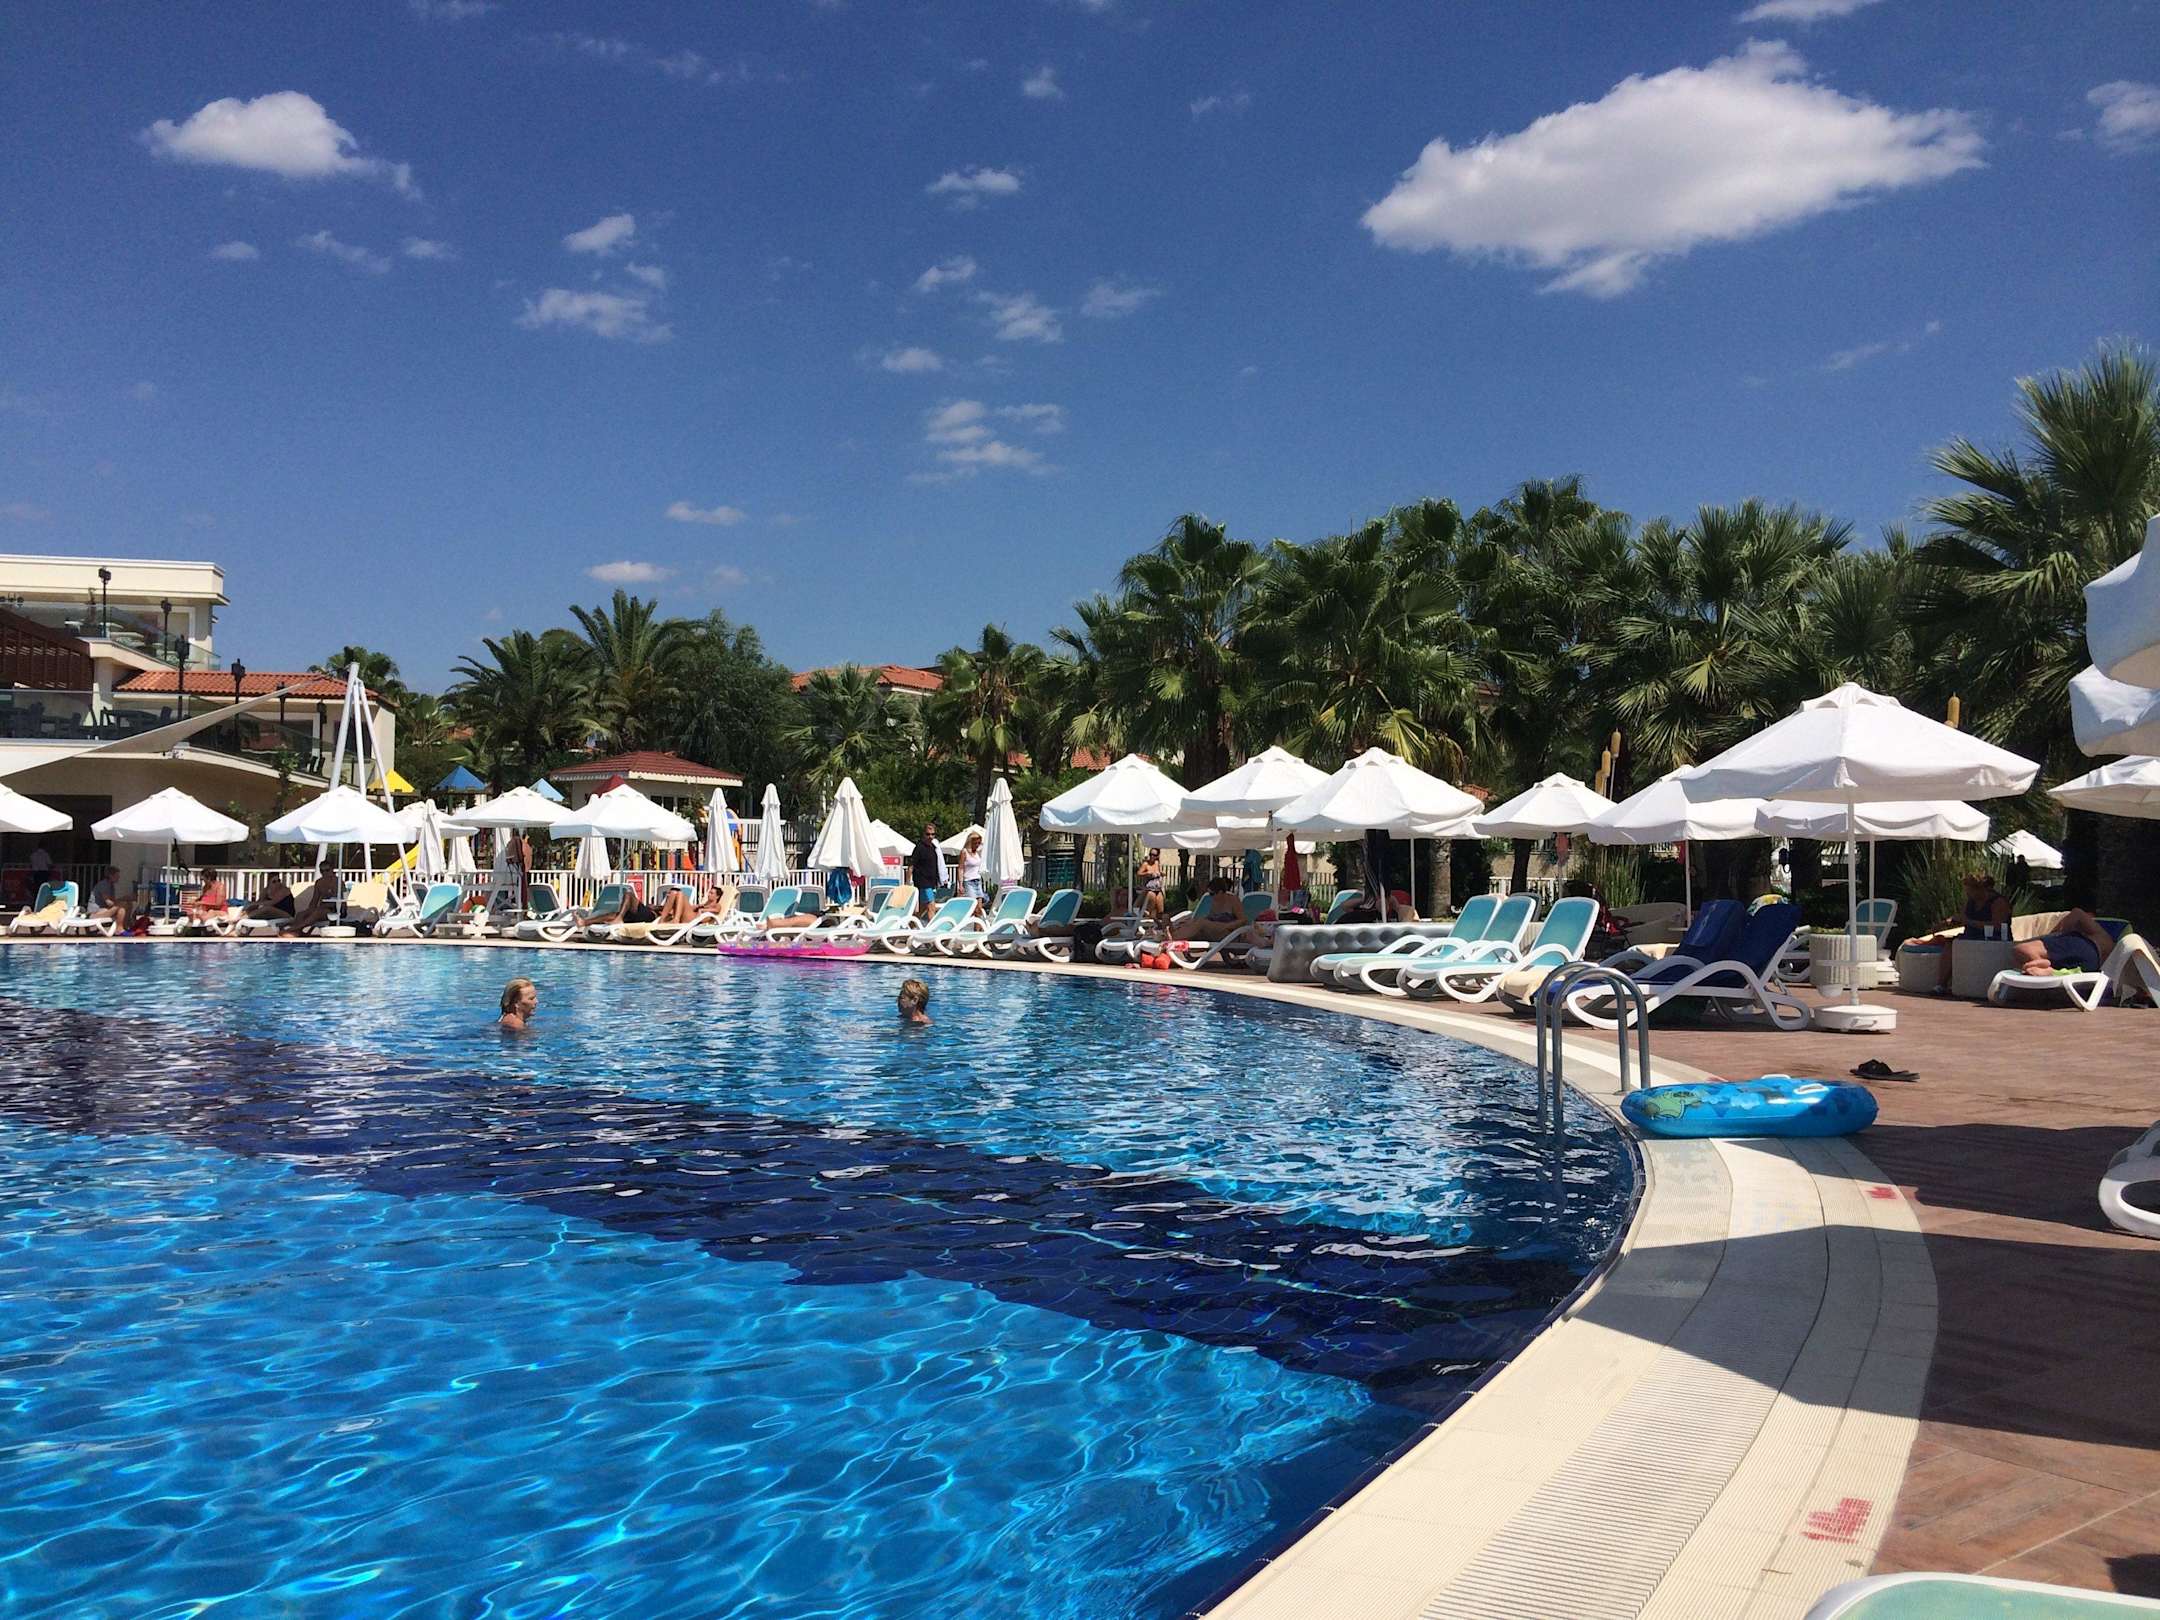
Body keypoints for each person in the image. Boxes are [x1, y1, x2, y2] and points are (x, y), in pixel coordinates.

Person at [1927, 871, 2013, 992]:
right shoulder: (1971, 901)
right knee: (1949, 943)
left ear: (1980, 889)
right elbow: (1962, 917)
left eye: (1970, 890)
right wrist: (1945, 923)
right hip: (1971, 936)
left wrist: (1970, 922)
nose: (1967, 893)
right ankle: (1941, 984)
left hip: (1994, 938)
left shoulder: (1998, 902)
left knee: (1959, 944)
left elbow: (1998, 925)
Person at [2008, 908, 2116, 978]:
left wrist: (2057, 934)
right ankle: (2049, 971)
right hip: (2088, 967)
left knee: (2021, 949)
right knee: (2027, 966)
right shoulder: (2107, 944)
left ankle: (2045, 966)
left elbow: (2077, 913)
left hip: (2086, 947)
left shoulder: (2099, 935)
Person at [279, 856, 343, 935]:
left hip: (335, 910)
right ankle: (297, 932)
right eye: (322, 871)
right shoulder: (319, 883)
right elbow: (314, 900)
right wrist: (309, 910)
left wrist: (318, 909)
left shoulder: (338, 882)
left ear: (332, 870)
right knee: (301, 914)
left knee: (317, 913)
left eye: (327, 870)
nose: (325, 873)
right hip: (322, 908)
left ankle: (293, 929)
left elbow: (338, 901)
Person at [1170, 877, 1245, 943]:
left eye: (1212, 894)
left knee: (1201, 922)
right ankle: (1173, 934)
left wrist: (1227, 926)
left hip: (1227, 932)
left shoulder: (1232, 900)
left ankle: (1173, 938)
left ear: (1220, 892)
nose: (1210, 896)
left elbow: (1243, 920)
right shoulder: (1214, 901)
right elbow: (1211, 918)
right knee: (1193, 923)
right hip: (1215, 930)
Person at [84, 866, 133, 932]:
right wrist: (122, 900)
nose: (119, 877)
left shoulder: (111, 885)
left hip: (104, 910)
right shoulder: (104, 885)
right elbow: (109, 902)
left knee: (127, 905)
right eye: (117, 875)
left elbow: (113, 902)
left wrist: (124, 899)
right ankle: (120, 928)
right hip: (94, 913)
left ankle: (125, 927)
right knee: (122, 905)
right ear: (110, 876)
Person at [910, 823, 945, 913]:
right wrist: (907, 883)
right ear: (923, 834)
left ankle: (912, 922)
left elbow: (936, 865)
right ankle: (933, 923)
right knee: (931, 905)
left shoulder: (933, 847)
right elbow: (911, 866)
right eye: (928, 834)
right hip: (923, 882)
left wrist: (940, 878)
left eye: (933, 834)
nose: (930, 836)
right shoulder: (919, 847)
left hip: (932, 882)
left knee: (923, 907)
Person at [1136, 849, 1165, 920]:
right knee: (1151, 900)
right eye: (1151, 854)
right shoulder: (1146, 864)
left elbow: (1160, 872)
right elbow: (1138, 873)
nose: (1152, 856)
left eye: (1154, 855)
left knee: (1160, 910)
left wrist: (1161, 873)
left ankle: (1158, 922)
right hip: (1149, 889)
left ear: (1157, 856)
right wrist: (1147, 873)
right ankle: (1146, 917)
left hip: (1157, 888)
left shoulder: (1157, 863)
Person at [959, 831, 986, 900]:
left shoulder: (977, 853)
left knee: (980, 903)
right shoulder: (964, 852)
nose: (977, 845)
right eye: (975, 843)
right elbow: (960, 868)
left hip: (978, 880)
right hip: (969, 881)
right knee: (973, 903)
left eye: (979, 843)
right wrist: (960, 885)